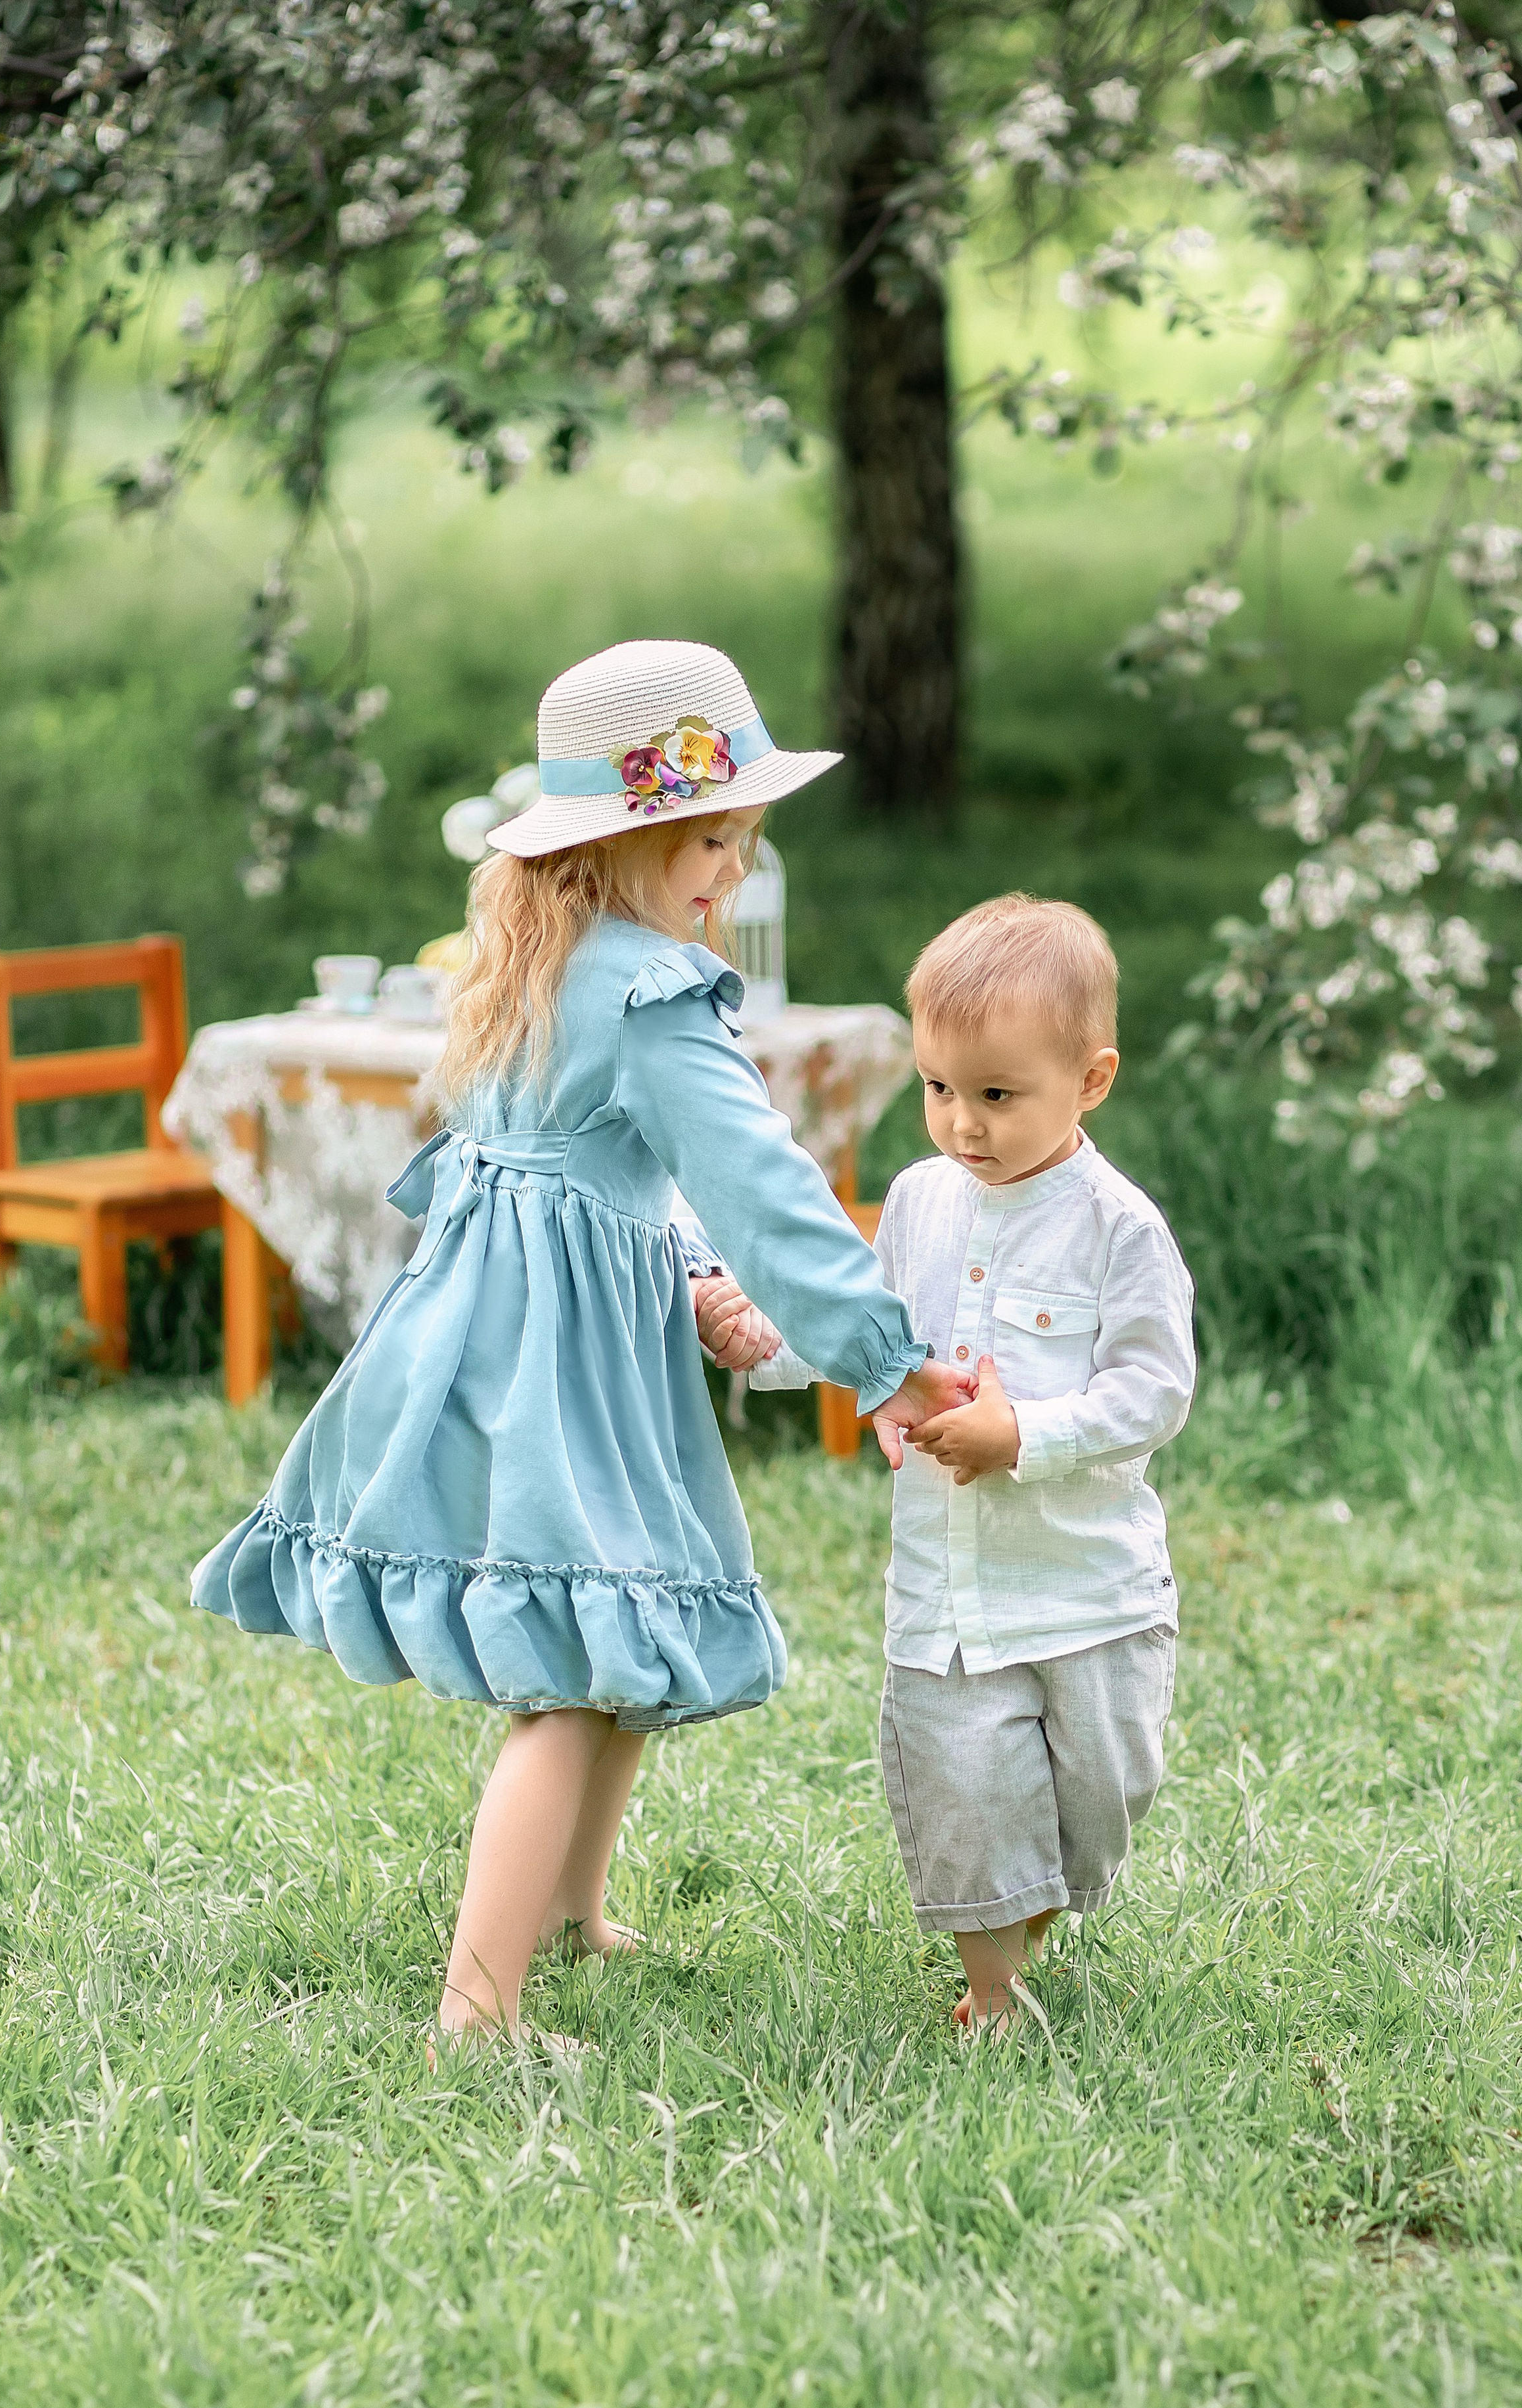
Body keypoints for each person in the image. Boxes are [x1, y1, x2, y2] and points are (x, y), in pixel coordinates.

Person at [190, 639, 966, 2051]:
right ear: (617, 844)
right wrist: (885, 1357)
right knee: (567, 1671)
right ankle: (476, 2008)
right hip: (558, 1367)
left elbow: (612, 1183)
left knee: (615, 1626)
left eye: (739, 838)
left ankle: (572, 1909)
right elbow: (767, 1192)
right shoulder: (652, 998)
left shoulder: (535, 965)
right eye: (708, 840)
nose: (731, 869)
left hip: (500, 1337)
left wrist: (692, 1279)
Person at [872, 895, 1196, 2034]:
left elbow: (1155, 1389)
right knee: (968, 1790)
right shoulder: (917, 1202)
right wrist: (868, 1384)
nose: (961, 1123)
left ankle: (1032, 1911)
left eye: (997, 1096)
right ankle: (993, 1990)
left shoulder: (1118, 1228)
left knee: (1098, 1804)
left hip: (1088, 1590)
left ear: (1090, 1081)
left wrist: (1026, 1436)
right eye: (937, 1088)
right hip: (951, 1596)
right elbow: (875, 1333)